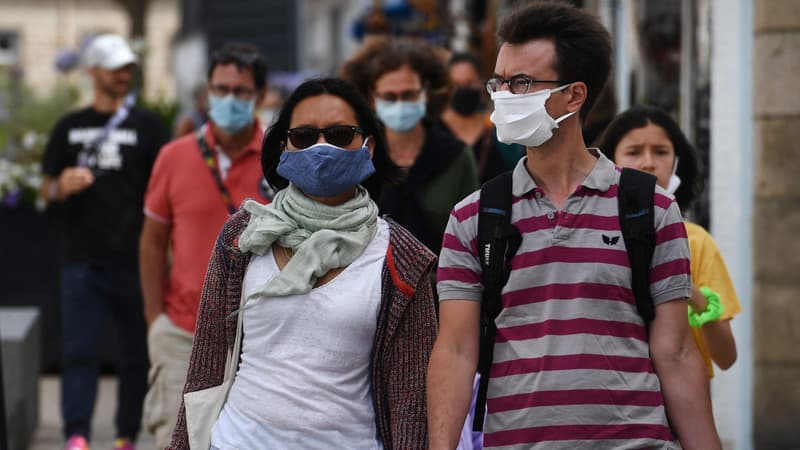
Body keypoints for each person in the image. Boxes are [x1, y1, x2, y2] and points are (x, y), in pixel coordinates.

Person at [428, 2, 721, 449]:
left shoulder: (650, 208)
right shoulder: (475, 217)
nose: (504, 95)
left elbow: (677, 352)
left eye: (522, 83)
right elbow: (455, 351)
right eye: (499, 81)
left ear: (574, 96)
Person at [167, 77, 438, 449]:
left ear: (369, 146)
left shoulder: (404, 259)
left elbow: (410, 396)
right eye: (304, 137)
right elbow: (208, 361)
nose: (322, 148)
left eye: (341, 135)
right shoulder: (244, 236)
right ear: (284, 148)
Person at [39, 33, 170, 450]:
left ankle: (125, 435)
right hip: (81, 259)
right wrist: (60, 185)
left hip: (136, 259)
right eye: (114, 67)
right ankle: (76, 434)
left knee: (136, 353)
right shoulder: (69, 127)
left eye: (127, 67)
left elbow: (165, 189)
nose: (122, 75)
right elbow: (45, 188)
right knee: (78, 351)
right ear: (92, 71)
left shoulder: (149, 127)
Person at [139, 42, 271, 449]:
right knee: (174, 440)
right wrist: (155, 322)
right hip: (182, 333)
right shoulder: (174, 157)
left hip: (258, 339)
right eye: (220, 89)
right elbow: (152, 241)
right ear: (207, 92)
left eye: (241, 92)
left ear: (260, 97)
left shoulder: (280, 159)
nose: (229, 99)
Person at [598, 105, 741, 378]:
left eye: (661, 152)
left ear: (677, 163)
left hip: (680, 408)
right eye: (633, 152)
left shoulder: (697, 243)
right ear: (608, 163)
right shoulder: (589, 233)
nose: (648, 162)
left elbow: (727, 358)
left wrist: (692, 293)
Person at [340, 37, 479, 255]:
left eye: (409, 94)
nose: (400, 104)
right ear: (371, 98)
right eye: (389, 96)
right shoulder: (356, 156)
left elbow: (472, 238)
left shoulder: (456, 156)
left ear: (426, 92)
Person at [441, 52, 524, 183]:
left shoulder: (500, 131)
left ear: (481, 84)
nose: (463, 90)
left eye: (469, 83)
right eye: (456, 84)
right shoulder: (433, 131)